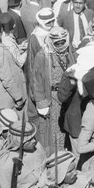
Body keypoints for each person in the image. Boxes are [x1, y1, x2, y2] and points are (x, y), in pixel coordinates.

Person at [27, 26, 74, 157]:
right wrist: (41, 103)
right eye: (56, 43)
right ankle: (56, 158)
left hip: (68, 95)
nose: (60, 45)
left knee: (68, 126)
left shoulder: (69, 51)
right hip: (52, 97)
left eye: (62, 42)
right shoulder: (42, 55)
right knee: (55, 131)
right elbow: (36, 80)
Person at [0, 119, 47, 188]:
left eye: (34, 137)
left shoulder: (37, 146)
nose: (34, 141)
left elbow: (45, 165)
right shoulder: (3, 165)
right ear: (17, 141)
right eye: (29, 139)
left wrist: (41, 185)